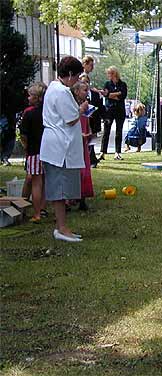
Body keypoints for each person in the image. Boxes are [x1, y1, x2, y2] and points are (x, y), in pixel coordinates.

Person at [40, 56, 88, 242]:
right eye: (76, 76)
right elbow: (70, 118)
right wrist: (81, 109)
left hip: (57, 145)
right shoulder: (61, 92)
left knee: (61, 189)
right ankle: (61, 228)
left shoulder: (54, 88)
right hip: (59, 148)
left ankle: (63, 226)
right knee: (59, 190)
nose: (77, 80)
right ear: (69, 74)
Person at [19, 82, 47, 223]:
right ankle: (42, 208)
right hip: (48, 151)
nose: (28, 98)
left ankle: (36, 214)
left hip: (34, 152)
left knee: (36, 182)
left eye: (30, 95)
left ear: (37, 98)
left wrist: (25, 147)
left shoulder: (29, 113)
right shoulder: (48, 112)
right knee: (44, 181)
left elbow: (23, 135)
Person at [71, 79, 94, 211]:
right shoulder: (73, 106)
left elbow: (87, 123)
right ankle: (71, 198)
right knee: (76, 170)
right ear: (76, 91)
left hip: (84, 143)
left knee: (85, 169)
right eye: (84, 90)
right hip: (75, 143)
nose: (87, 92)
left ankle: (83, 198)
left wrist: (89, 133)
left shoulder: (86, 106)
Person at [98, 66, 127, 160]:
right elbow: (106, 95)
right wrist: (117, 93)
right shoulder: (107, 84)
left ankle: (117, 152)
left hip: (120, 110)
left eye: (110, 73)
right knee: (106, 131)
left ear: (114, 74)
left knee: (119, 131)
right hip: (109, 110)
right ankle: (102, 152)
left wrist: (112, 95)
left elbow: (122, 96)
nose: (108, 75)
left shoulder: (122, 84)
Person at [82, 55, 105, 168]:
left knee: (91, 138)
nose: (92, 68)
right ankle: (90, 158)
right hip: (84, 117)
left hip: (92, 116)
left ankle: (92, 158)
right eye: (91, 65)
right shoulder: (81, 76)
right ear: (85, 64)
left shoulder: (91, 89)